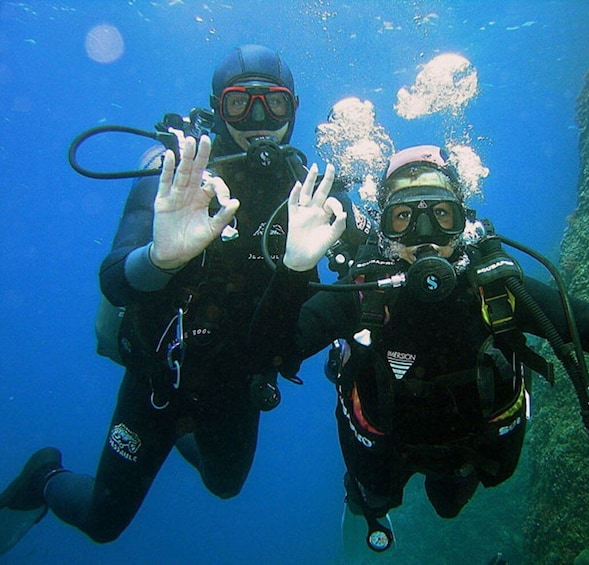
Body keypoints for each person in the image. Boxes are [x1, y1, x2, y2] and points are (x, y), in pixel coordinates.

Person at [252, 145, 589, 553]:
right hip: (382, 446)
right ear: (383, 231)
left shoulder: (498, 289)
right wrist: (294, 274)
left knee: (451, 504)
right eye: (405, 219)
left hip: (473, 446)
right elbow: (272, 354)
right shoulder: (361, 294)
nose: (427, 236)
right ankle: (364, 501)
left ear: (465, 221)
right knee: (374, 495)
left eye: (442, 216)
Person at [0, 44, 339, 552]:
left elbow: (320, 306)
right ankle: (42, 476)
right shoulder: (180, 174)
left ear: (294, 109)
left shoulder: (304, 193)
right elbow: (115, 279)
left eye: (274, 104)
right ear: (215, 108)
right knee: (102, 522)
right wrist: (161, 257)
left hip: (234, 383)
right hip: (158, 378)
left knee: (224, 485)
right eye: (238, 104)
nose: (258, 120)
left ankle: (185, 428)